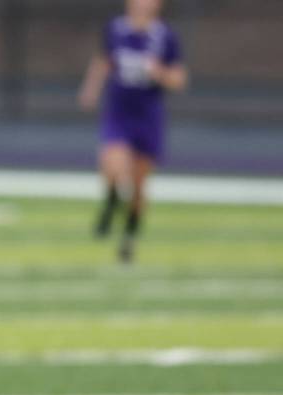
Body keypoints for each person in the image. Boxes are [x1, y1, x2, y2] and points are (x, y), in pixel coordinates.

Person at [78, 0, 187, 263]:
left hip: (148, 117)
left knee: (138, 185)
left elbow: (179, 79)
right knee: (113, 166)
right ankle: (112, 199)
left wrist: (159, 72)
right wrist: (91, 89)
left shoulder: (165, 37)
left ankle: (129, 237)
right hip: (118, 113)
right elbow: (104, 61)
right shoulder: (115, 29)